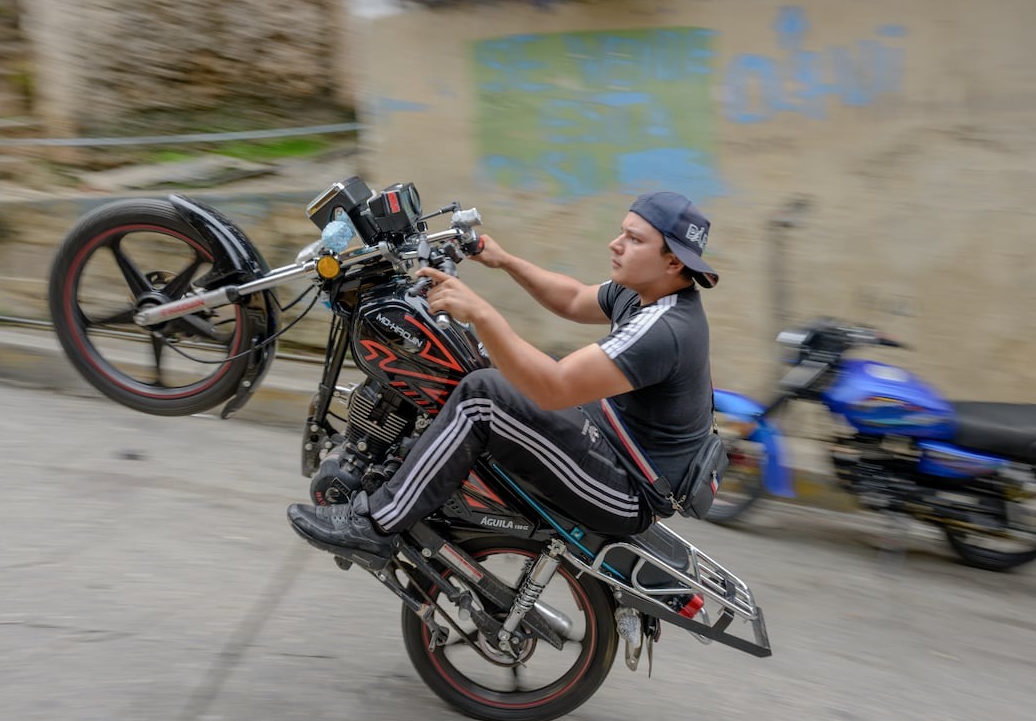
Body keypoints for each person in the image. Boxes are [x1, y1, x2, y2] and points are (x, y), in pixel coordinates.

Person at [286, 191, 720, 559]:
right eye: (622, 231)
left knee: (482, 394)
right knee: (487, 368)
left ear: (673, 264)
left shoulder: (663, 329)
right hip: (607, 441)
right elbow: (572, 299)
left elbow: (555, 388)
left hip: (626, 490)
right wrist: (504, 260)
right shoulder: (644, 293)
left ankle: (376, 526)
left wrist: (480, 311)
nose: (616, 244)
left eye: (634, 239)